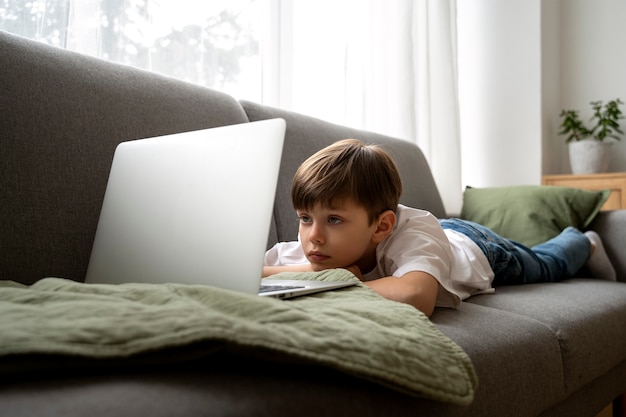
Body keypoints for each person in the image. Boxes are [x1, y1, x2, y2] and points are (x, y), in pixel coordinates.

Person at [263, 139, 616, 317]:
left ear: (380, 226)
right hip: (439, 239)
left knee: (545, 264)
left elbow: (416, 296)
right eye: (305, 218)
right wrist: (311, 269)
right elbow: (248, 274)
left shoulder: (413, 231)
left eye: (334, 220)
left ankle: (582, 241)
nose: (314, 237)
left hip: (475, 247)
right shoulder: (313, 248)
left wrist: (339, 279)